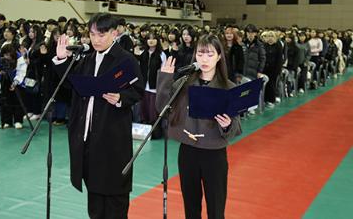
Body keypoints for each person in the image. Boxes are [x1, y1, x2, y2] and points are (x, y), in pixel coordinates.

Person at [53, 13, 144, 218]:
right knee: (94, 199)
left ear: (114, 33)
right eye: (92, 34)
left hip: (112, 136)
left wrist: (120, 97)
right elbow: (71, 85)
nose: (96, 40)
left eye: (101, 35)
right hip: (88, 136)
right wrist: (61, 59)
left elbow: (137, 90)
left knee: (114, 198)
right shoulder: (87, 59)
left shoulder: (126, 59)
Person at [156, 34, 242, 219]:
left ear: (219, 57)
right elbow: (163, 107)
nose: (204, 59)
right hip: (188, 152)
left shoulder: (228, 87)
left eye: (210, 54)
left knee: (216, 207)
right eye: (200, 54)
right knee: (191, 206)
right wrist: (165, 78)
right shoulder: (184, 82)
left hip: (214, 153)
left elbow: (235, 126)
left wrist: (227, 125)